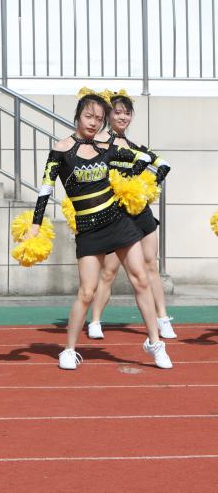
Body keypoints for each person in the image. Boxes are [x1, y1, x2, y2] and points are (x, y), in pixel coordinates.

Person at [27, 90, 172, 370]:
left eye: (99, 119)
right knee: (87, 291)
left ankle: (155, 343)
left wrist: (136, 180)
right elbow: (46, 188)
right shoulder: (61, 150)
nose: (93, 123)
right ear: (78, 116)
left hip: (118, 222)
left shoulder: (107, 148)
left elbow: (151, 159)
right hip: (88, 229)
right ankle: (69, 349)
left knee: (141, 279)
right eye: (88, 116)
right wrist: (35, 224)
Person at [86, 91, 174, 340]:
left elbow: (163, 164)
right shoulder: (100, 142)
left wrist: (147, 185)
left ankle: (162, 318)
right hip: (114, 213)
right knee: (109, 271)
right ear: (108, 115)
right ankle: (95, 320)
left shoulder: (135, 147)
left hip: (139, 211)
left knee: (151, 265)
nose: (123, 117)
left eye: (127, 113)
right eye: (118, 112)